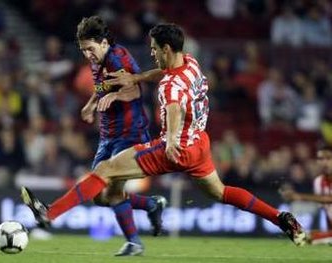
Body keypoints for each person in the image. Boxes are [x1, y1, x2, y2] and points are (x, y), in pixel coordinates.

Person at [21, 23, 307, 251]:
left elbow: (172, 106)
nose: (153, 53)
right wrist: (136, 78)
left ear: (167, 48)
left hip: (176, 147)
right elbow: (165, 73)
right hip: (199, 143)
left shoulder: (170, 86)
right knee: (221, 192)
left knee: (105, 170)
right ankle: (281, 219)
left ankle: (51, 213)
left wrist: (170, 140)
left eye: (155, 49)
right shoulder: (191, 63)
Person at [24, 16, 166, 256]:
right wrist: (92, 103)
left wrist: (116, 97)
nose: (87, 54)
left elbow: (134, 89)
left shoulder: (117, 57)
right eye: (83, 50)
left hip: (130, 134)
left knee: (103, 184)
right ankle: (151, 205)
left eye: (90, 48)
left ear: (103, 42)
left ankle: (50, 212)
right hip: (108, 134)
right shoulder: (96, 61)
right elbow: (103, 87)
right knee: (102, 196)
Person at [280, 145, 332, 245]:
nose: (325, 162)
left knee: (306, 238)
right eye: (321, 159)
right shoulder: (318, 182)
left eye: (329, 158)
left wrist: (300, 197)